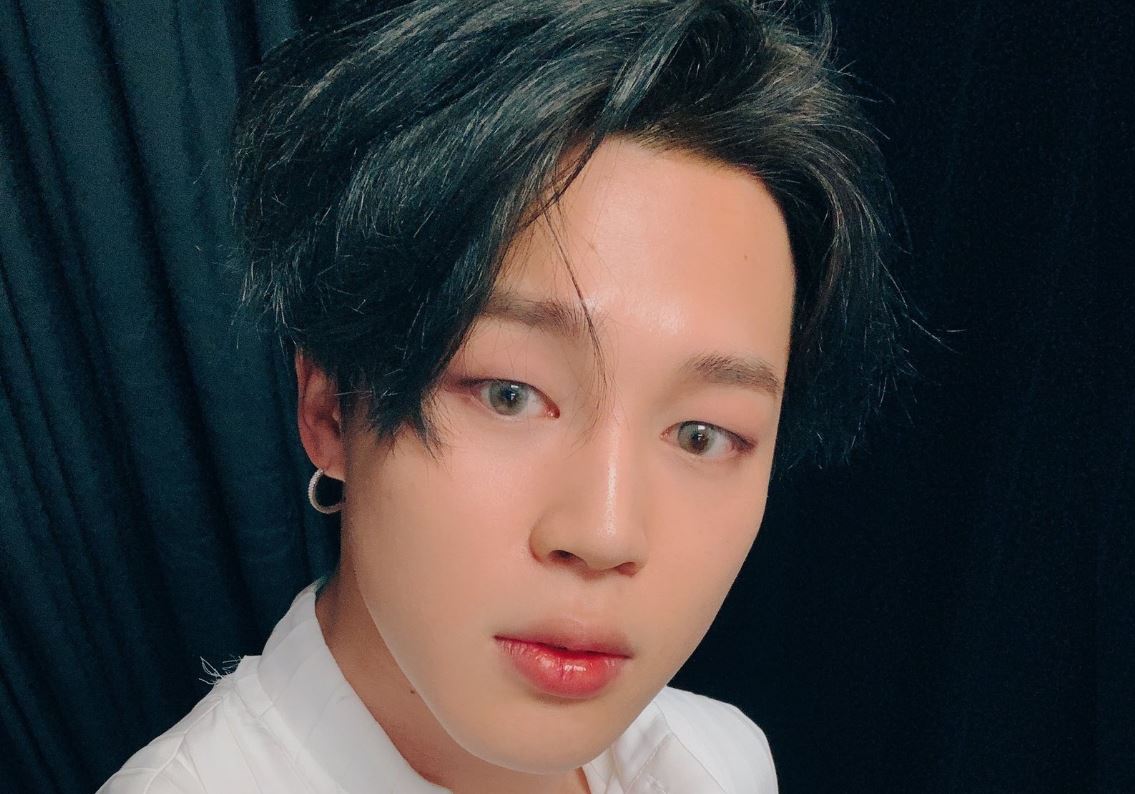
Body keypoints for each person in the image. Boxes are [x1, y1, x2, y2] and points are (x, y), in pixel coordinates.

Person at [99, 0, 914, 791]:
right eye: (509, 394)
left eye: (702, 434)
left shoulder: (721, 761)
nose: (604, 533)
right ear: (331, 407)